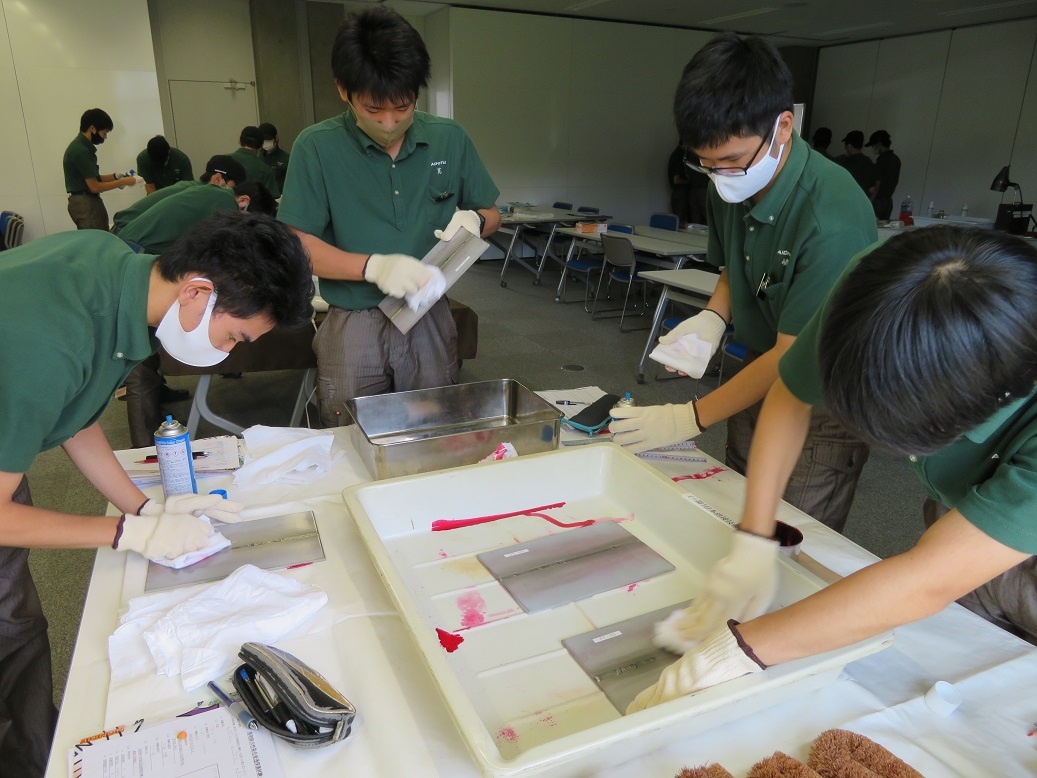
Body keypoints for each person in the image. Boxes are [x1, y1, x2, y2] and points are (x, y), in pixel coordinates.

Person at [627, 226, 1037, 712]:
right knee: (952, 674)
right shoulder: (893, 285)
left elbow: (929, 579)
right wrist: (754, 537)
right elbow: (793, 389)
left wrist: (738, 650)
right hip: (967, 512)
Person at [0, 212, 313, 774]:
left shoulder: (113, 270)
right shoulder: (48, 341)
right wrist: (130, 532)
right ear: (197, 291)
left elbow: (74, 415)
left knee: (16, 631)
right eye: (234, 336)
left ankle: (32, 754)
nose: (229, 353)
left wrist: (144, 506)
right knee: (10, 639)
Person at [609, 34, 876, 532]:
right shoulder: (726, 181)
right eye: (705, 163)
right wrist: (714, 315)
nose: (720, 175)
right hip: (760, 363)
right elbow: (738, 263)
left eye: (731, 160)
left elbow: (793, 358)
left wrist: (687, 418)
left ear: (782, 126)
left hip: (823, 391)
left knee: (790, 532)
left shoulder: (831, 216)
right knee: (735, 505)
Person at [278, 7, 501, 428]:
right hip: (352, 320)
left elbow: (493, 213)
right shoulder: (317, 147)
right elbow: (296, 245)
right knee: (349, 431)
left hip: (429, 313)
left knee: (436, 425)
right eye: (373, 109)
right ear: (343, 90)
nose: (389, 122)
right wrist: (374, 267)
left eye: (402, 107)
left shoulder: (448, 139)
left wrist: (475, 220)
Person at [117, 156, 252, 447]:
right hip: (138, 259)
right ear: (221, 181)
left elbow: (125, 217)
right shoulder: (220, 199)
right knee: (138, 358)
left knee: (149, 349)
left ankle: (159, 392)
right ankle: (144, 448)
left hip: (129, 247)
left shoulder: (189, 188)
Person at [119, 155, 247, 254]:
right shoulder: (208, 195)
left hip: (126, 234)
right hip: (132, 241)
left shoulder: (190, 187)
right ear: (218, 179)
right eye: (233, 188)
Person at [62, 108, 143, 230]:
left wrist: (116, 176)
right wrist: (124, 182)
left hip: (86, 201)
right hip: (85, 203)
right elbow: (95, 187)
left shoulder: (80, 147)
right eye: (104, 133)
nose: (105, 138)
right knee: (97, 240)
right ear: (93, 129)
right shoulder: (81, 151)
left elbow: (93, 178)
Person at [231, 125, 279, 197]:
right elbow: (273, 199)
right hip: (255, 207)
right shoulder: (265, 170)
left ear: (239, 140)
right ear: (261, 145)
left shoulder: (222, 161)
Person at [865, 130, 901, 221]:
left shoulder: (882, 160)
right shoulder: (896, 159)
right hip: (888, 202)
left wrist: (868, 203)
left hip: (878, 202)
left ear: (879, 144)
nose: (873, 147)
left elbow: (877, 185)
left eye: (873, 145)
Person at [838, 130, 877, 198]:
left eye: (846, 146)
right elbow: (872, 189)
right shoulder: (868, 162)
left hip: (845, 200)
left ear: (849, 146)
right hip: (861, 202)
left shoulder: (845, 162)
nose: (845, 148)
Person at [258, 122, 291, 193]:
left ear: (276, 137)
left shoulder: (286, 158)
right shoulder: (257, 159)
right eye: (263, 141)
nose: (265, 143)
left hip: (280, 198)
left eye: (268, 139)